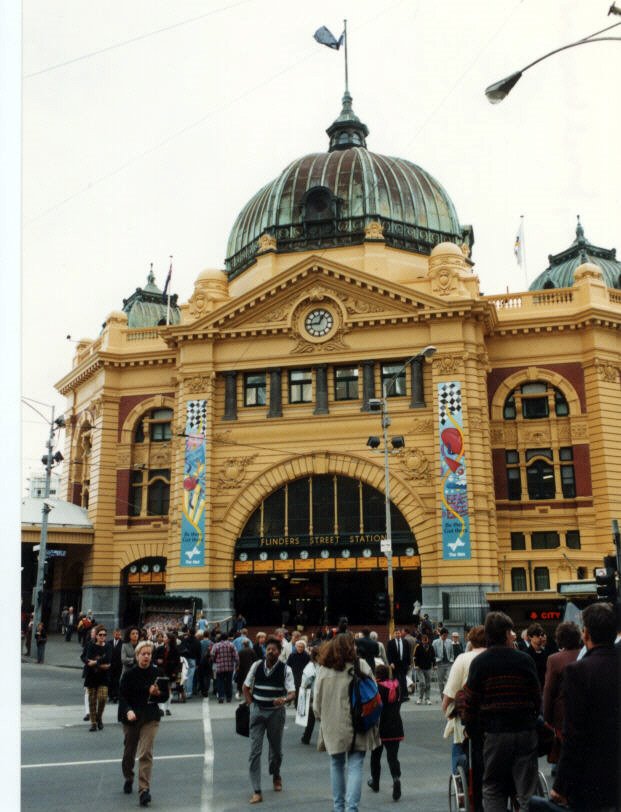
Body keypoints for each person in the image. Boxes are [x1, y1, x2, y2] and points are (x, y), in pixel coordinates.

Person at [530, 603, 620, 812]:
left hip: (594, 773)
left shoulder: (579, 671)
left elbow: (575, 734)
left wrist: (561, 785)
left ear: (586, 634)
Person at [463, 611, 541, 812]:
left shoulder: (479, 663)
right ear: (506, 634)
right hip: (524, 730)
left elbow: (470, 702)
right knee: (526, 789)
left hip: (495, 733)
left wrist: (473, 731)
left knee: (494, 786)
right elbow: (536, 697)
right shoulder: (524, 660)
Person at [314, 633, 380, 812]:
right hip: (359, 721)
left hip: (333, 723)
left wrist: (322, 716)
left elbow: (316, 703)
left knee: (336, 763)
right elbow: (374, 694)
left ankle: (338, 807)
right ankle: (352, 808)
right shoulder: (361, 665)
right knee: (355, 765)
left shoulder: (324, 669)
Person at [243, 636, 295, 804]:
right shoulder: (256, 665)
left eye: (273, 649)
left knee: (276, 750)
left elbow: (292, 692)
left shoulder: (286, 669)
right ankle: (257, 790)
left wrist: (285, 700)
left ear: (279, 653)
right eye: (268, 649)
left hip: (276, 714)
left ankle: (276, 774)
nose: (270, 651)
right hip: (258, 711)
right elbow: (246, 686)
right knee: (254, 752)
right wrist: (251, 705)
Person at [119, 639, 168, 807]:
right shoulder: (129, 674)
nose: (146, 657)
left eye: (149, 654)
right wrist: (128, 711)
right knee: (129, 752)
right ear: (137, 655)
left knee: (146, 752)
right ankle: (128, 776)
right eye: (143, 654)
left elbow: (165, 696)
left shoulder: (158, 672)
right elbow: (122, 696)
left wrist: (157, 693)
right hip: (132, 716)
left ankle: (144, 790)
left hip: (150, 716)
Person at [442, 625, 486, 812]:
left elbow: (450, 693)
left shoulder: (463, 659)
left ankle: (462, 786)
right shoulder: (498, 656)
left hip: (470, 719)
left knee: (458, 749)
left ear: (470, 641)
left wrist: (446, 709)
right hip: (496, 721)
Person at [541, 621, 581, 765]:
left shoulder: (554, 659)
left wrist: (546, 716)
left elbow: (549, 690)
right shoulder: (587, 655)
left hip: (562, 715)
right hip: (585, 712)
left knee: (565, 754)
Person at [367, 664, 404, 801]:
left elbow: (374, 706)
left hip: (380, 725)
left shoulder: (377, 687)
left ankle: (375, 782)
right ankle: (396, 778)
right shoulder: (396, 685)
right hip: (395, 724)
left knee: (375, 756)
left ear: (377, 675)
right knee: (392, 756)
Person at [83, 624, 112, 731]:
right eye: (100, 635)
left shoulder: (108, 646)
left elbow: (108, 659)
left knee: (103, 698)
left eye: (104, 635)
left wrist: (95, 662)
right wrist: (100, 664)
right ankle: (94, 723)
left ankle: (99, 717)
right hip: (91, 676)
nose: (102, 637)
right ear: (96, 636)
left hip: (104, 677)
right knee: (92, 700)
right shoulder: (91, 645)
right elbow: (86, 658)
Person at [154, 632, 181, 716]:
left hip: (170, 672)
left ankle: (167, 708)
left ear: (169, 639)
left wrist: (175, 673)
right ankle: (162, 708)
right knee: (161, 690)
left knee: (169, 690)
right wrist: (157, 661)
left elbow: (178, 663)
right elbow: (153, 658)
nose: (163, 638)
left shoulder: (175, 650)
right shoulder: (160, 648)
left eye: (165, 637)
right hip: (161, 672)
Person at [211, 632, 239, 703]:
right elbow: (236, 656)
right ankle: (229, 697)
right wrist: (237, 664)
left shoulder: (216, 645)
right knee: (229, 682)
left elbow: (212, 654)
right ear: (227, 638)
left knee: (220, 682)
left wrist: (215, 660)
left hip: (220, 667)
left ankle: (221, 697)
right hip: (230, 667)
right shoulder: (231, 645)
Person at [299, 646, 319, 745]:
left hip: (313, 695)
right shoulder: (324, 665)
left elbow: (305, 682)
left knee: (311, 718)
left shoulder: (310, 666)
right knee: (323, 718)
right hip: (322, 694)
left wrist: (303, 690)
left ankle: (306, 737)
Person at [387, 629, 411, 703]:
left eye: (399, 633)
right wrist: (390, 662)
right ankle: (396, 694)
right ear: (394, 634)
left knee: (403, 679)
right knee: (396, 679)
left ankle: (404, 695)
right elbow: (388, 653)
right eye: (396, 633)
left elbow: (408, 653)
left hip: (404, 663)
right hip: (395, 664)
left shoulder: (405, 642)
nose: (398, 634)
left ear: (401, 634)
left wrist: (409, 664)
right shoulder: (391, 643)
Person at [413, 633, 435, 704]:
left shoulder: (431, 647)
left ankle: (427, 698)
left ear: (428, 640)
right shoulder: (418, 647)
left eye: (426, 640)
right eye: (423, 640)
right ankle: (420, 698)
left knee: (428, 684)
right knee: (422, 683)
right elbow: (415, 657)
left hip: (428, 667)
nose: (425, 641)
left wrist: (434, 665)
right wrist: (416, 665)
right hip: (420, 668)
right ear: (421, 640)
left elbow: (433, 657)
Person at [287, 638, 310, 704]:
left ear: (304, 648)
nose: (300, 648)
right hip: (294, 674)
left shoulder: (307, 656)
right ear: (296, 647)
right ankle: (296, 703)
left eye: (301, 647)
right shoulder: (292, 655)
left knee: (302, 689)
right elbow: (288, 665)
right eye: (298, 647)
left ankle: (300, 703)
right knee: (296, 689)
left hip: (303, 675)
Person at [432, 627, 454, 697]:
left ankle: (447, 695)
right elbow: (433, 654)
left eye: (447, 635)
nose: (445, 637)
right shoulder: (435, 642)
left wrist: (451, 659)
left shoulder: (450, 642)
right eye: (444, 635)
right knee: (440, 682)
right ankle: (443, 696)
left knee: (449, 680)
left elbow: (452, 653)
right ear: (441, 635)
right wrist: (434, 663)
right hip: (440, 664)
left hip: (448, 664)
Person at [525, 623, 549, 687]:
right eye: (537, 635)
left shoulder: (546, 653)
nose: (540, 637)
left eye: (542, 635)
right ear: (530, 637)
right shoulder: (526, 654)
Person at [108, 628, 123, 702]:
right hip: (110, 665)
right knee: (110, 680)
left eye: (119, 634)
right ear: (113, 634)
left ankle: (116, 696)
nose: (117, 635)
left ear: (120, 635)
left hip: (118, 665)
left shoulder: (122, 643)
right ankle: (110, 695)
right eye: (116, 634)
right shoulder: (109, 642)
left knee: (116, 681)